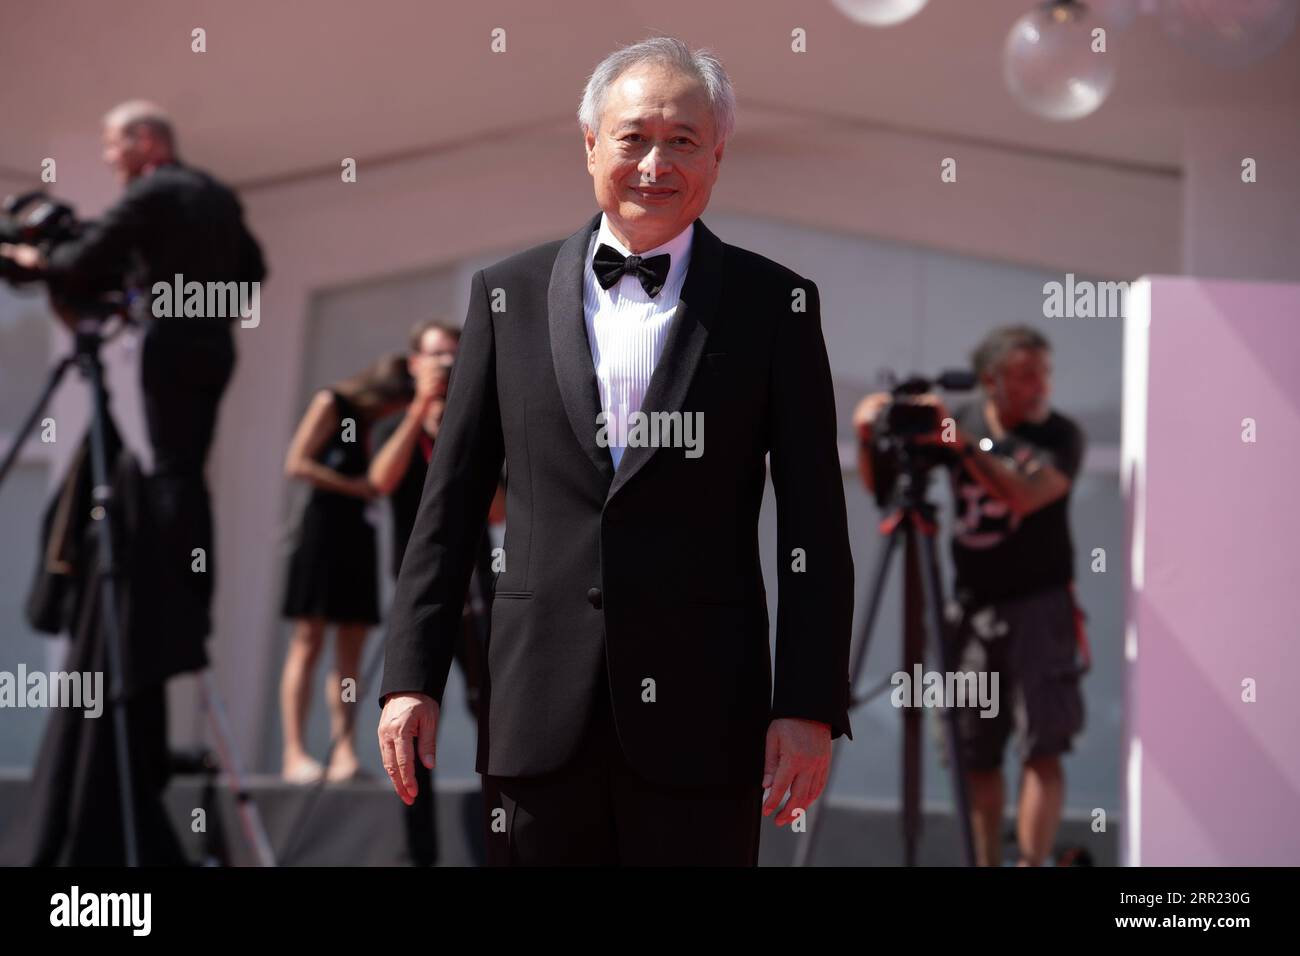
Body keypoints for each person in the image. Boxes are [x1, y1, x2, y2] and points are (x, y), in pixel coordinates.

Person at [377, 36, 855, 866]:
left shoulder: (775, 304)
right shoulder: (506, 295)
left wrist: (807, 703)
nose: (654, 163)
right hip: (533, 714)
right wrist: (409, 677)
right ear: (591, 143)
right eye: (633, 136)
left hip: (708, 716)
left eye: (683, 141)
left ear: (717, 157)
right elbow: (448, 504)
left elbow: (814, 519)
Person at [0, 100, 264, 865]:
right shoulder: (216, 195)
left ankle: (167, 552)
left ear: (147, 143)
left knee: (160, 468)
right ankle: (182, 558)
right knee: (183, 466)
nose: (113, 160)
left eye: (116, 147)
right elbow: (253, 271)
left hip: (165, 354)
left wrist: (35, 261)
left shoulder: (155, 193)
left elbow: (89, 257)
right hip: (211, 349)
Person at [853, 325, 1088, 867]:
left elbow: (1026, 496)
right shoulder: (961, 420)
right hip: (969, 611)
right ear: (991, 380)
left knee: (1043, 747)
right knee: (973, 752)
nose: (1039, 386)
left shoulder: (1058, 436)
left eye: (1043, 373)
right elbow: (884, 490)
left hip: (1040, 608)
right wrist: (872, 434)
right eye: (1026, 374)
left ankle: (1032, 861)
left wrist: (963, 446)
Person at [369, 319, 502, 865]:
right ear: (413, 365)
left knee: (494, 712)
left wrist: (459, 435)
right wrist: (420, 418)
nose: (446, 367)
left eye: (455, 357)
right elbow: (380, 480)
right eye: (436, 358)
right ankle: (417, 852)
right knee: (411, 717)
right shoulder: (392, 427)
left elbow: (498, 509)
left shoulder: (479, 427)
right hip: (417, 597)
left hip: (478, 594)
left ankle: (503, 836)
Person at [279, 355, 412, 783]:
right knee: (309, 639)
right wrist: (353, 487)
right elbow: (297, 463)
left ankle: (343, 752)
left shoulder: (384, 424)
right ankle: (294, 752)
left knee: (351, 643)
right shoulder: (332, 403)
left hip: (360, 534)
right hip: (323, 529)